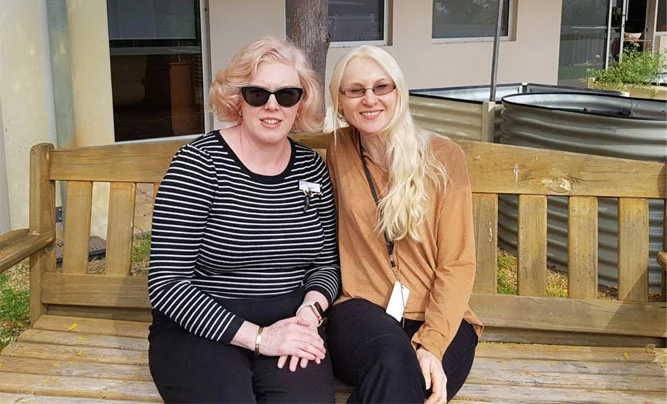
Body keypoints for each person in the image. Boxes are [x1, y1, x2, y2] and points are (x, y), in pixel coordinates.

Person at [148, 36, 340, 403]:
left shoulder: (311, 168)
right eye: (257, 94)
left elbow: (325, 264)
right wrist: (259, 337)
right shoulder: (198, 164)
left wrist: (309, 312)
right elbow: (167, 284)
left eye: (286, 95)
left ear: (301, 103)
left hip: (290, 323)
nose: (272, 106)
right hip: (201, 324)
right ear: (238, 98)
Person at [325, 46, 483, 404]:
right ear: (340, 102)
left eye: (382, 87)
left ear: (400, 92)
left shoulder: (443, 158)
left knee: (416, 380)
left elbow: (458, 263)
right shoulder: (337, 151)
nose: (370, 99)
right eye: (356, 90)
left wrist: (432, 344)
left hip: (444, 317)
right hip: (361, 310)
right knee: (396, 363)